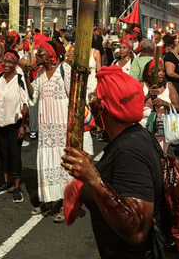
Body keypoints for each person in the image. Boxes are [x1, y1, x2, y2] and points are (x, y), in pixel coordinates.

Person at [61, 65, 163, 258]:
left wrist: (93, 180)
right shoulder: (131, 137)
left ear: (103, 107)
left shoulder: (130, 151)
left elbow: (136, 231)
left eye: (94, 98)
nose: (91, 103)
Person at [23, 40, 72, 222]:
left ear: (51, 56)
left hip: (62, 125)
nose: (36, 56)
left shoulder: (64, 69)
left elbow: (72, 95)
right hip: (46, 127)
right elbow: (32, 97)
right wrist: (28, 77)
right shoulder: (41, 74)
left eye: (40, 54)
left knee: (63, 166)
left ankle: (66, 206)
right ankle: (47, 200)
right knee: (46, 163)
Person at [0, 50, 29, 203]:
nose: (7, 64)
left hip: (14, 124)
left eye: (10, 62)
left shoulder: (19, 79)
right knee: (3, 153)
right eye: (5, 61)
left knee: (14, 154)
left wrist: (23, 126)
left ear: (15, 64)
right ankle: (6, 182)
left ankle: (16, 187)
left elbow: (25, 104)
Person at [141, 59, 179, 152]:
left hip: (161, 130)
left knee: (159, 158)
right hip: (142, 129)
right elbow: (133, 105)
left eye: (163, 71)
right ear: (149, 73)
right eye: (158, 71)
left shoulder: (169, 86)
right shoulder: (141, 86)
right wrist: (148, 95)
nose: (162, 74)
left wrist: (165, 103)